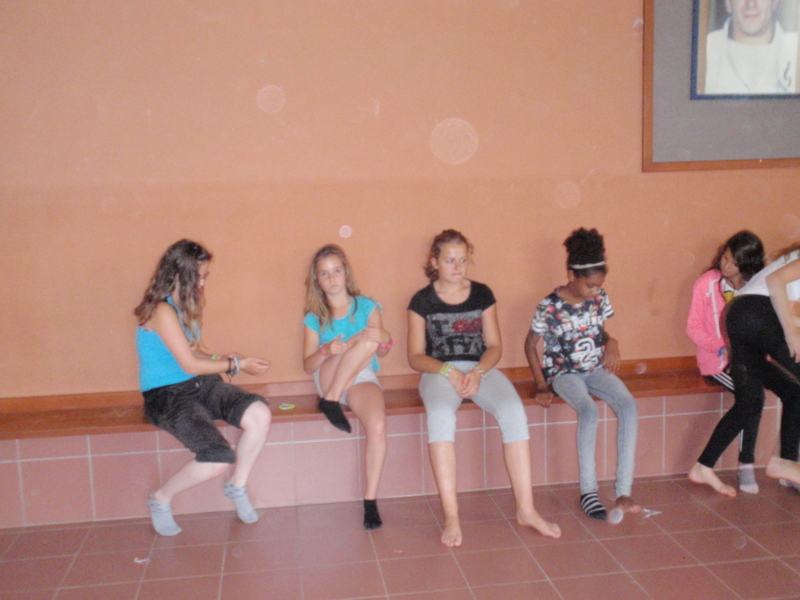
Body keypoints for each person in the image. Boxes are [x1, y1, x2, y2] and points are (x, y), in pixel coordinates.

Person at [407, 229, 560, 547]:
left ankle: (527, 510)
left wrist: (477, 372)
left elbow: (494, 346)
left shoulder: (482, 294)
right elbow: (415, 357)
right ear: (434, 262)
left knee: (513, 410)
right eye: (450, 260)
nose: (457, 267)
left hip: (481, 369)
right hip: (439, 372)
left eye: (463, 260)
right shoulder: (421, 301)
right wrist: (448, 371)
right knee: (440, 415)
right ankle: (452, 516)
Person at [134, 240, 272, 536]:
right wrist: (235, 365)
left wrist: (222, 359)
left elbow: (192, 352)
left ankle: (237, 486)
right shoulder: (161, 310)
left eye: (204, 276)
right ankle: (160, 499)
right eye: (198, 276)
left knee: (259, 413)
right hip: (166, 396)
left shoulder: (183, 305)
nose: (202, 283)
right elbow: (188, 364)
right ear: (179, 274)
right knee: (217, 458)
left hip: (198, 384)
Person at [525, 228, 640, 522]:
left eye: (599, 285)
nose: (595, 291)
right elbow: (530, 345)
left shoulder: (599, 299)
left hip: (594, 369)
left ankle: (623, 491)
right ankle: (588, 491)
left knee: (628, 406)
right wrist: (541, 384)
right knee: (589, 411)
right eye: (590, 285)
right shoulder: (549, 306)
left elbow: (598, 332)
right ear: (571, 276)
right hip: (564, 373)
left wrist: (612, 342)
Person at [690, 240, 800, 496]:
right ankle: (785, 462)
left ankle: (702, 467)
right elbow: (775, 282)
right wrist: (790, 333)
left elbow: (780, 305)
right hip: (754, 314)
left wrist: (792, 326)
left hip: (738, 318)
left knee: (764, 399)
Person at [302, 244, 391, 530]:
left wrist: (385, 338)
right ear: (317, 280)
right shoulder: (314, 316)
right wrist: (326, 350)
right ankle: (329, 398)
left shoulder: (367, 306)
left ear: (346, 273)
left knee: (377, 425)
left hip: (361, 374)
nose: (332, 279)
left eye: (336, 271)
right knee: (365, 339)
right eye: (324, 274)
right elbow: (308, 366)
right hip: (330, 372)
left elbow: (383, 350)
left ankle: (370, 501)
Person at [686, 230, 765, 493]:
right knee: (752, 397)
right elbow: (693, 327)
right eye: (725, 258)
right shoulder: (707, 283)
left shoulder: (756, 287)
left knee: (755, 395)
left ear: (747, 265)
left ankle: (724, 465)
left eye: (734, 262)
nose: (727, 266)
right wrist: (721, 346)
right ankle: (745, 464)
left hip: (748, 358)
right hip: (716, 361)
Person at [704, 0, 798, 95]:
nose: (751, 4)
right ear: (728, 2)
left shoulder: (795, 49)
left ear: (775, 2)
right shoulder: (705, 50)